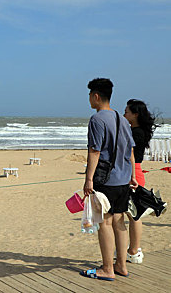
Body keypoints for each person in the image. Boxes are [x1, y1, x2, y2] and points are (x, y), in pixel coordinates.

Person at [80, 78, 137, 281]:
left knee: (104, 223)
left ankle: (107, 268)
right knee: (120, 221)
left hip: (106, 180)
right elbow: (130, 149)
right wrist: (133, 175)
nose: (88, 98)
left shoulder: (97, 119)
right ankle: (121, 265)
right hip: (123, 179)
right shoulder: (122, 119)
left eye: (89, 95)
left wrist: (88, 180)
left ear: (96, 96)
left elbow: (95, 151)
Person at [123, 99, 157, 264]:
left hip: (133, 172)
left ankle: (134, 250)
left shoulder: (136, 132)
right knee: (132, 214)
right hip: (134, 171)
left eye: (127, 112)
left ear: (135, 114)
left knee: (134, 214)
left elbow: (131, 156)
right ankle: (133, 249)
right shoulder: (136, 130)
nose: (124, 114)